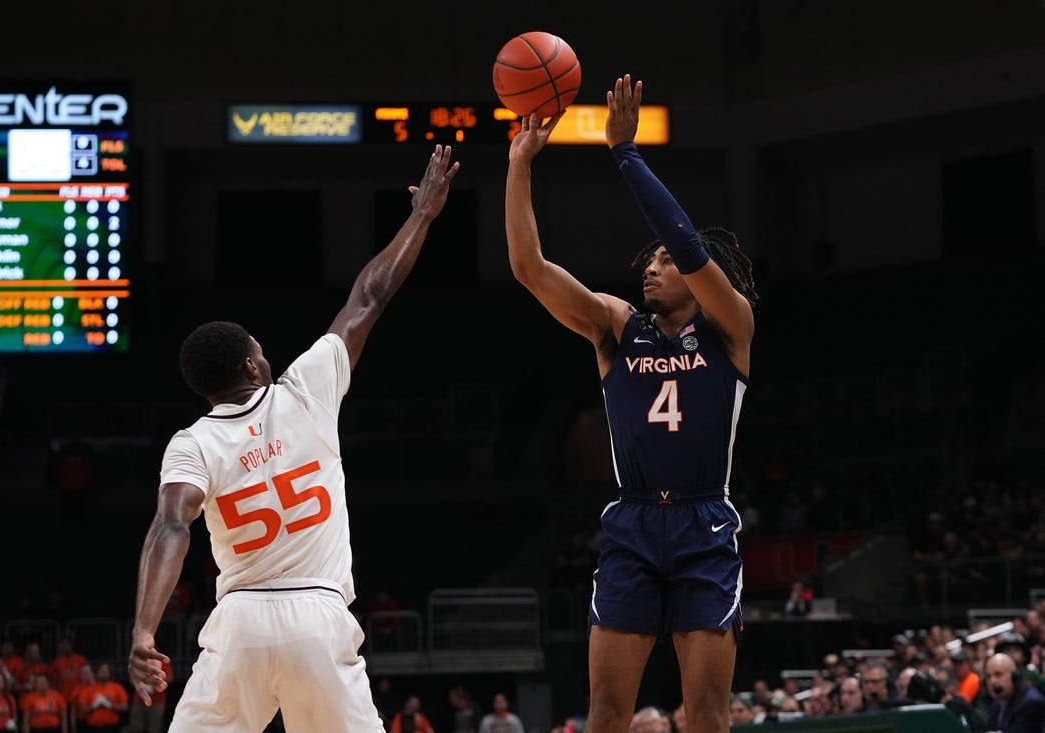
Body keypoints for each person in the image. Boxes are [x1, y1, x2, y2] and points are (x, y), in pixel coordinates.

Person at [127, 144, 460, 732]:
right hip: (318, 615)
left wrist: (143, 630)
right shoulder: (304, 388)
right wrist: (422, 215)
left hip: (242, 623)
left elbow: (171, 526)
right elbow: (369, 296)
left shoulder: (191, 443)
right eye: (259, 347)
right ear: (254, 368)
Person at [505, 74, 757, 733]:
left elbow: (689, 244)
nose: (650, 267)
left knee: (706, 711)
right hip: (633, 523)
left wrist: (626, 153)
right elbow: (530, 268)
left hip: (705, 521)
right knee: (607, 712)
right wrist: (519, 167)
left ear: (697, 279)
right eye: (646, 262)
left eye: (663, 262)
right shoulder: (618, 326)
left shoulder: (731, 325)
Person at [983, 652, 1045, 733]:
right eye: (988, 676)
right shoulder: (998, 702)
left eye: (998, 674)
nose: (992, 681)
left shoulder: (1031, 703)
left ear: (1014, 676)